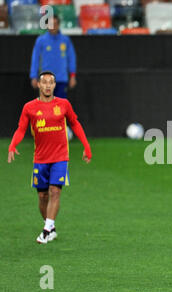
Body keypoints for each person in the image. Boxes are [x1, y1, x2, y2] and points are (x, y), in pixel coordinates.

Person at [8, 71, 91, 244]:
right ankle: (50, 227)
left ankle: (46, 231)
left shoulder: (63, 104)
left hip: (60, 156)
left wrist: (86, 146)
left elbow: (75, 123)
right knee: (42, 197)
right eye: (44, 82)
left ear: (54, 85)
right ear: (39, 85)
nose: (47, 85)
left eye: (51, 82)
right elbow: (21, 129)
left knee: (55, 191)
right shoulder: (29, 107)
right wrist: (13, 144)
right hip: (40, 158)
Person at [30, 15, 77, 99]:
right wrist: (34, 76)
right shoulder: (41, 40)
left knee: (60, 108)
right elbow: (35, 59)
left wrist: (72, 75)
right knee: (45, 107)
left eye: (55, 24)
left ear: (58, 25)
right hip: (46, 81)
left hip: (61, 79)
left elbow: (71, 58)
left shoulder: (65, 40)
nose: (53, 27)